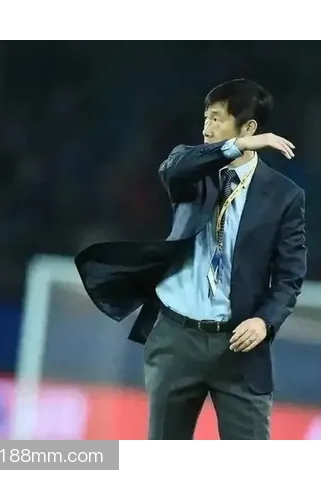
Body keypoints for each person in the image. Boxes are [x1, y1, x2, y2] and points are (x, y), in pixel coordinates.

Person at [75, 78, 307, 440]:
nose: (206, 129)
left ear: (249, 126)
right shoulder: (194, 170)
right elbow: (173, 169)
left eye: (217, 119)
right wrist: (235, 147)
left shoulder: (284, 196)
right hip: (176, 339)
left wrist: (265, 322)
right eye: (205, 118)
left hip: (239, 347)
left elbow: (290, 276)